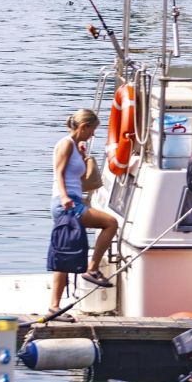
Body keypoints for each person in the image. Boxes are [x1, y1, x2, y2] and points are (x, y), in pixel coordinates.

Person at [49, 109, 119, 321]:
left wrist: (81, 156)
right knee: (110, 223)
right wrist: (64, 196)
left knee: (66, 254)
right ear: (84, 127)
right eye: (92, 130)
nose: (92, 135)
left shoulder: (75, 147)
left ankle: (54, 307)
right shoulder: (65, 144)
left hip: (73, 201)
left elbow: (74, 173)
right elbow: (58, 172)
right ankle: (92, 269)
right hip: (66, 204)